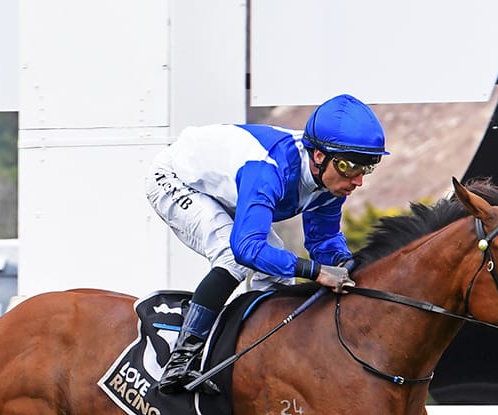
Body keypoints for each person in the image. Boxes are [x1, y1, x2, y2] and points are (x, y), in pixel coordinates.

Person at [144, 93, 388, 393]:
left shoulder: (330, 179)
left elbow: (323, 240)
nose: (358, 181)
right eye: (350, 166)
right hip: (175, 179)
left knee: (279, 276)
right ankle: (180, 360)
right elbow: (246, 248)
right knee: (231, 255)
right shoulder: (268, 170)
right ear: (319, 156)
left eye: (366, 168)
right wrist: (316, 272)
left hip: (229, 189)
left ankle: (262, 357)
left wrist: (345, 265)